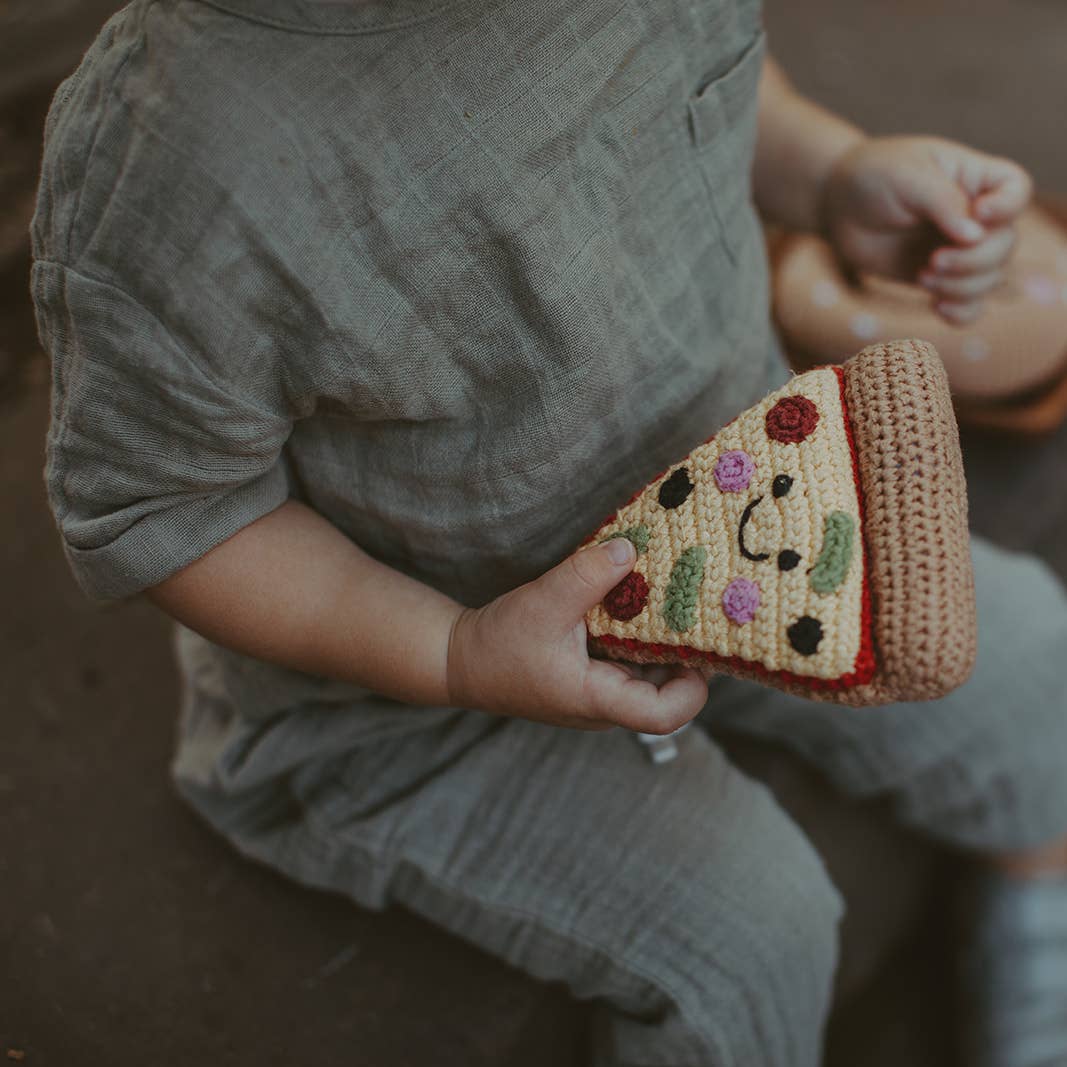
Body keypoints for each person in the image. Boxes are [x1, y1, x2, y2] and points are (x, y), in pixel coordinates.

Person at [31, 1, 1067, 1063]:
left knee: (1037, 662)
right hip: (399, 699)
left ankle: (1035, 896)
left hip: (739, 525)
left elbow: (711, 80)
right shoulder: (180, 159)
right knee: (756, 932)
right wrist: (451, 651)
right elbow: (175, 507)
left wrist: (834, 173)